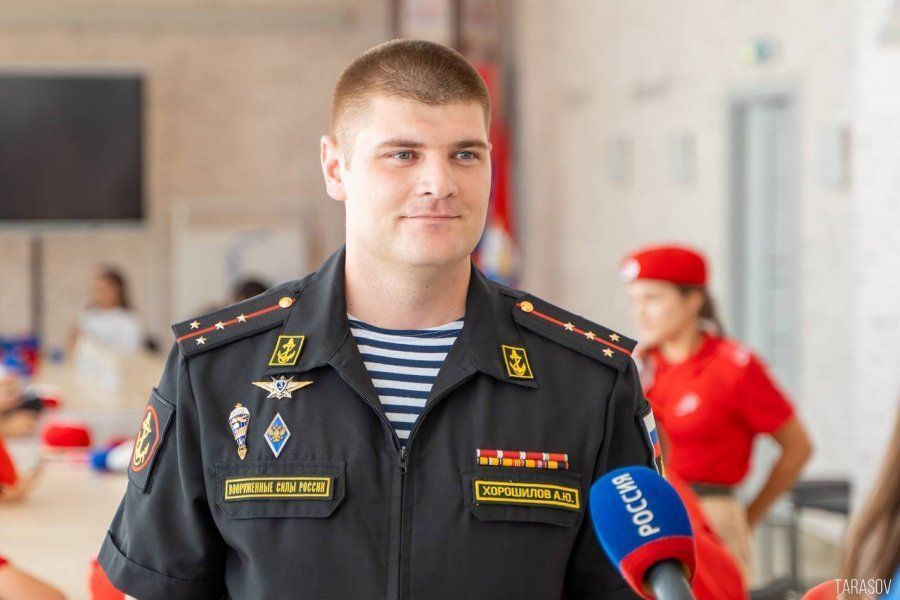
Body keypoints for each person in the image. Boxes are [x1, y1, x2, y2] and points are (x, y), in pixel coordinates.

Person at [98, 39, 659, 599]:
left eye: (466, 154)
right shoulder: (216, 372)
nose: (439, 183)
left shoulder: (587, 382)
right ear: (335, 168)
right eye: (403, 154)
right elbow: (159, 587)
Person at [621, 244, 814, 578]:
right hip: (646, 514)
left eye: (652, 298)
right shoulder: (637, 368)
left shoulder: (733, 367)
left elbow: (798, 448)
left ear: (693, 300)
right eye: (635, 301)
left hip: (711, 515)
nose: (641, 313)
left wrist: (748, 516)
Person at [69, 267, 143, 353]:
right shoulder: (86, 316)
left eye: (105, 289)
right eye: (98, 289)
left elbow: (131, 352)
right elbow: (71, 346)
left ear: (117, 290)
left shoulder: (129, 320)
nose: (100, 294)